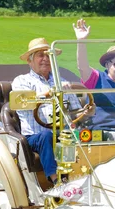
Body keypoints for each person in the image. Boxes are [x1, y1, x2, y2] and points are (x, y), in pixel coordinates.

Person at [12, 37, 80, 183]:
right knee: (46, 136)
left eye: (48, 55)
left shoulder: (61, 81)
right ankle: (57, 182)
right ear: (30, 61)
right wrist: (49, 93)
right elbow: (23, 103)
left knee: (86, 134)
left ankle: (86, 177)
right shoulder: (21, 81)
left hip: (62, 133)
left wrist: (88, 111)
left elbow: (76, 112)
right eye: (40, 55)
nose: (45, 59)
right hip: (34, 135)